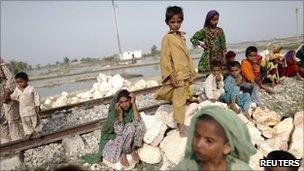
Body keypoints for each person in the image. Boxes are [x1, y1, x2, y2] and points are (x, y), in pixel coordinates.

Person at [155, 6, 196, 137]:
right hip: (177, 75)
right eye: (172, 22)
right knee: (178, 100)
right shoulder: (167, 38)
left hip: (184, 73)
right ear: (167, 22)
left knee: (183, 98)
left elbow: (187, 55)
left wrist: (191, 72)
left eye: (178, 21)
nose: (176, 25)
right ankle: (181, 126)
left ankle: (182, 123)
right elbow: (165, 59)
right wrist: (171, 75)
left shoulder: (181, 37)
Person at [173, 106, 256, 170]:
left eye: (209, 141)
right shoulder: (187, 167)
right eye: (197, 136)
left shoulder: (240, 169)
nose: (199, 144)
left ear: (226, 147)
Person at [82, 89, 145, 167]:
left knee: (139, 126)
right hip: (113, 137)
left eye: (126, 101)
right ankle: (123, 153)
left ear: (130, 100)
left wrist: (134, 103)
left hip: (126, 135)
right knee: (130, 128)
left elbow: (137, 121)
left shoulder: (131, 108)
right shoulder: (114, 113)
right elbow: (119, 131)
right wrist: (120, 113)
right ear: (118, 103)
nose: (125, 104)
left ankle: (132, 149)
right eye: (121, 102)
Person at [9, 72, 42, 138]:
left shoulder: (31, 89)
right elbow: (13, 96)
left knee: (35, 120)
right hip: (22, 109)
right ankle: (28, 132)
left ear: (27, 80)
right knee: (25, 121)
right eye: (18, 82)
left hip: (31, 108)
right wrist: (8, 96)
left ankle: (37, 131)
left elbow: (36, 97)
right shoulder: (17, 90)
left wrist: (38, 105)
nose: (20, 84)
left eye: (21, 82)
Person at [0, 57, 23, 143]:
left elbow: (10, 77)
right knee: (1, 123)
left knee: (12, 120)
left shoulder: (1, 64)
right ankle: (6, 144)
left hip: (5, 95)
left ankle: (18, 143)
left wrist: (7, 91)